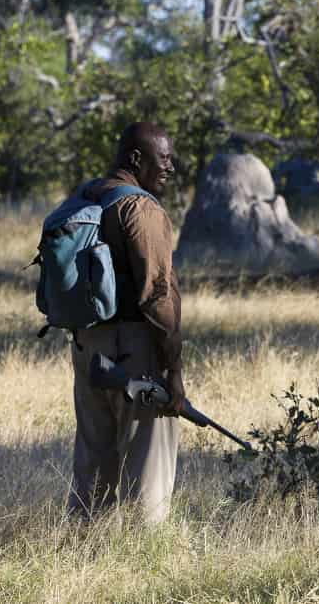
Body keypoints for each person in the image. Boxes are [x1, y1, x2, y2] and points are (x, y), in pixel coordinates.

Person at [67, 121, 186, 524]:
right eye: (164, 158)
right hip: (134, 349)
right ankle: (142, 559)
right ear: (137, 158)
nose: (170, 166)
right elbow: (157, 295)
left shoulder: (87, 196)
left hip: (87, 346)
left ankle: (82, 549)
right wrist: (173, 370)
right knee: (148, 464)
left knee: (93, 460)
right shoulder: (140, 207)